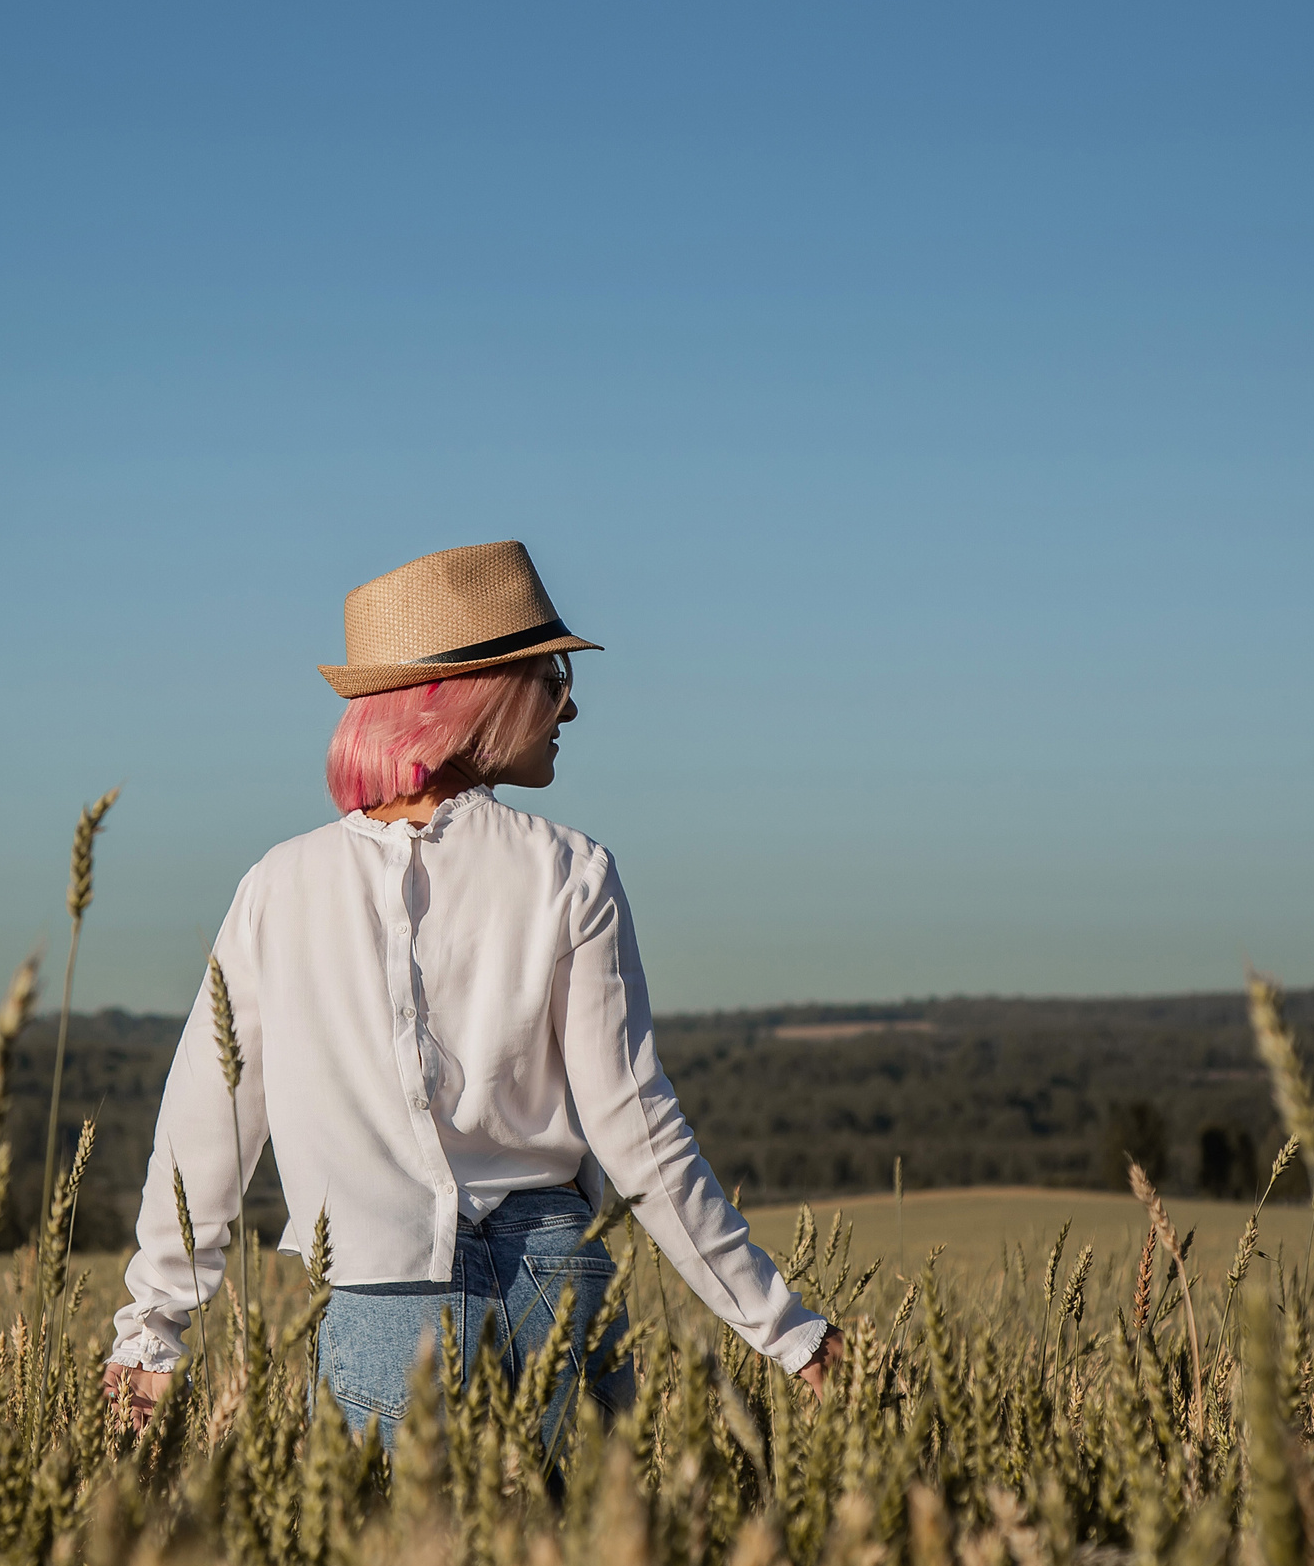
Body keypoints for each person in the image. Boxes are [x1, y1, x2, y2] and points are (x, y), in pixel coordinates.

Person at [105, 540, 843, 1447]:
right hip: (557, 1289)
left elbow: (204, 1128)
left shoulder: (277, 886)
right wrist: (790, 1333)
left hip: (384, 1313)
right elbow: (639, 1134)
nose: (570, 703)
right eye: (550, 675)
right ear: (473, 694)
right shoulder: (569, 870)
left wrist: (152, 1332)